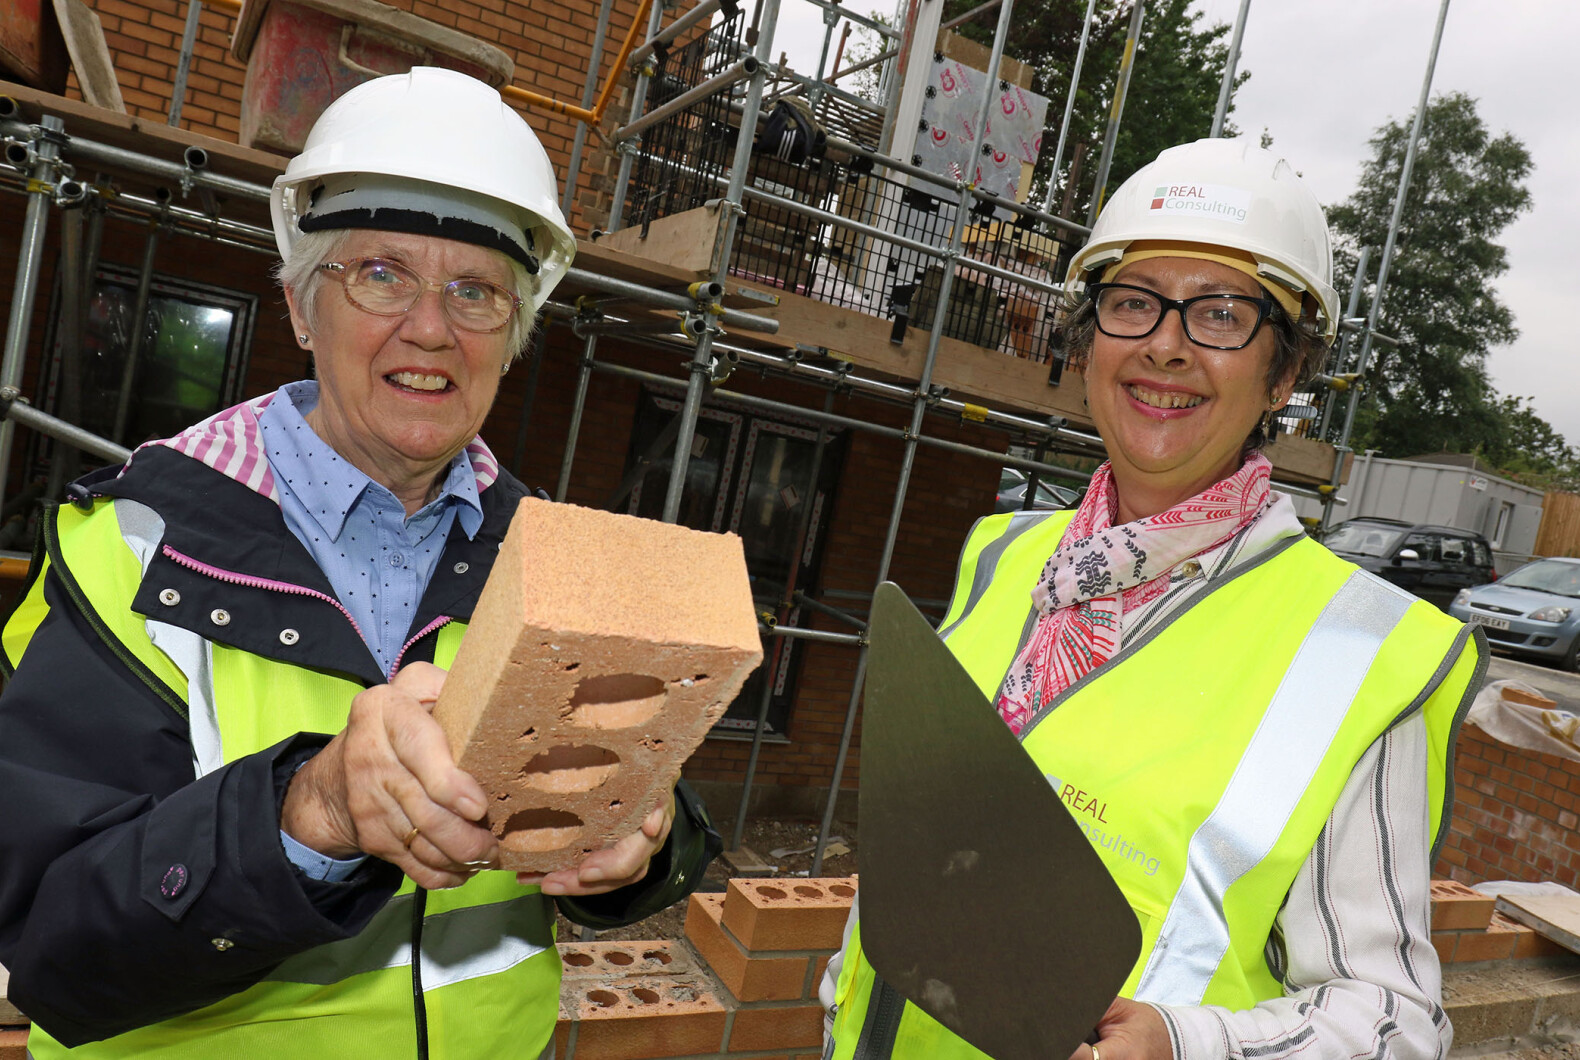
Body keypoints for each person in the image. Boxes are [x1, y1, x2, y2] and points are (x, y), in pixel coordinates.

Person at [0, 67, 719, 1058]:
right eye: (382, 273)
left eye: (475, 290)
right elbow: (54, 945)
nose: (430, 326)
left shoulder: (552, 557)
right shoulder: (135, 551)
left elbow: (649, 798)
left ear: (510, 336)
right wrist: (311, 810)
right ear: (301, 307)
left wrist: (637, 844)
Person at [822, 138, 1485, 1060]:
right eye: (1132, 303)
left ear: (1284, 375)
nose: (1165, 346)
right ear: (1089, 335)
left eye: (1221, 314)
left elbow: (1392, 1021)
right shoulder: (1002, 555)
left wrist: (1189, 1045)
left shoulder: (1360, 652)